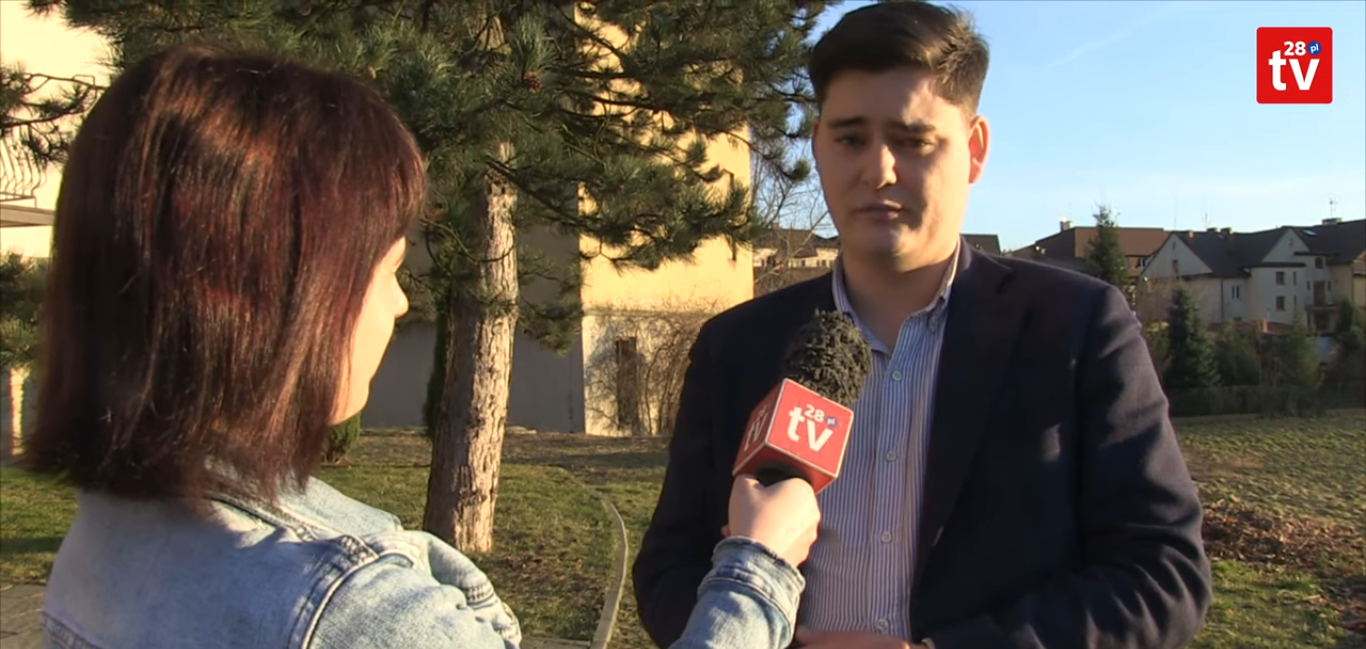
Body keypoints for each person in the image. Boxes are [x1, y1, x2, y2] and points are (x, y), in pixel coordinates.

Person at [22, 43, 821, 649]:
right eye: (386, 270)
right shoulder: (355, 610)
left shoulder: (113, 530)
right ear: (282, 299)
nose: (401, 303)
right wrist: (758, 565)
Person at [632, 3, 1213, 649]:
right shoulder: (736, 346)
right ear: (818, 143)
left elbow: (1162, 573)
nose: (878, 170)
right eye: (850, 139)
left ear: (974, 149)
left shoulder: (1076, 328)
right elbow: (668, 570)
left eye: (912, 140)